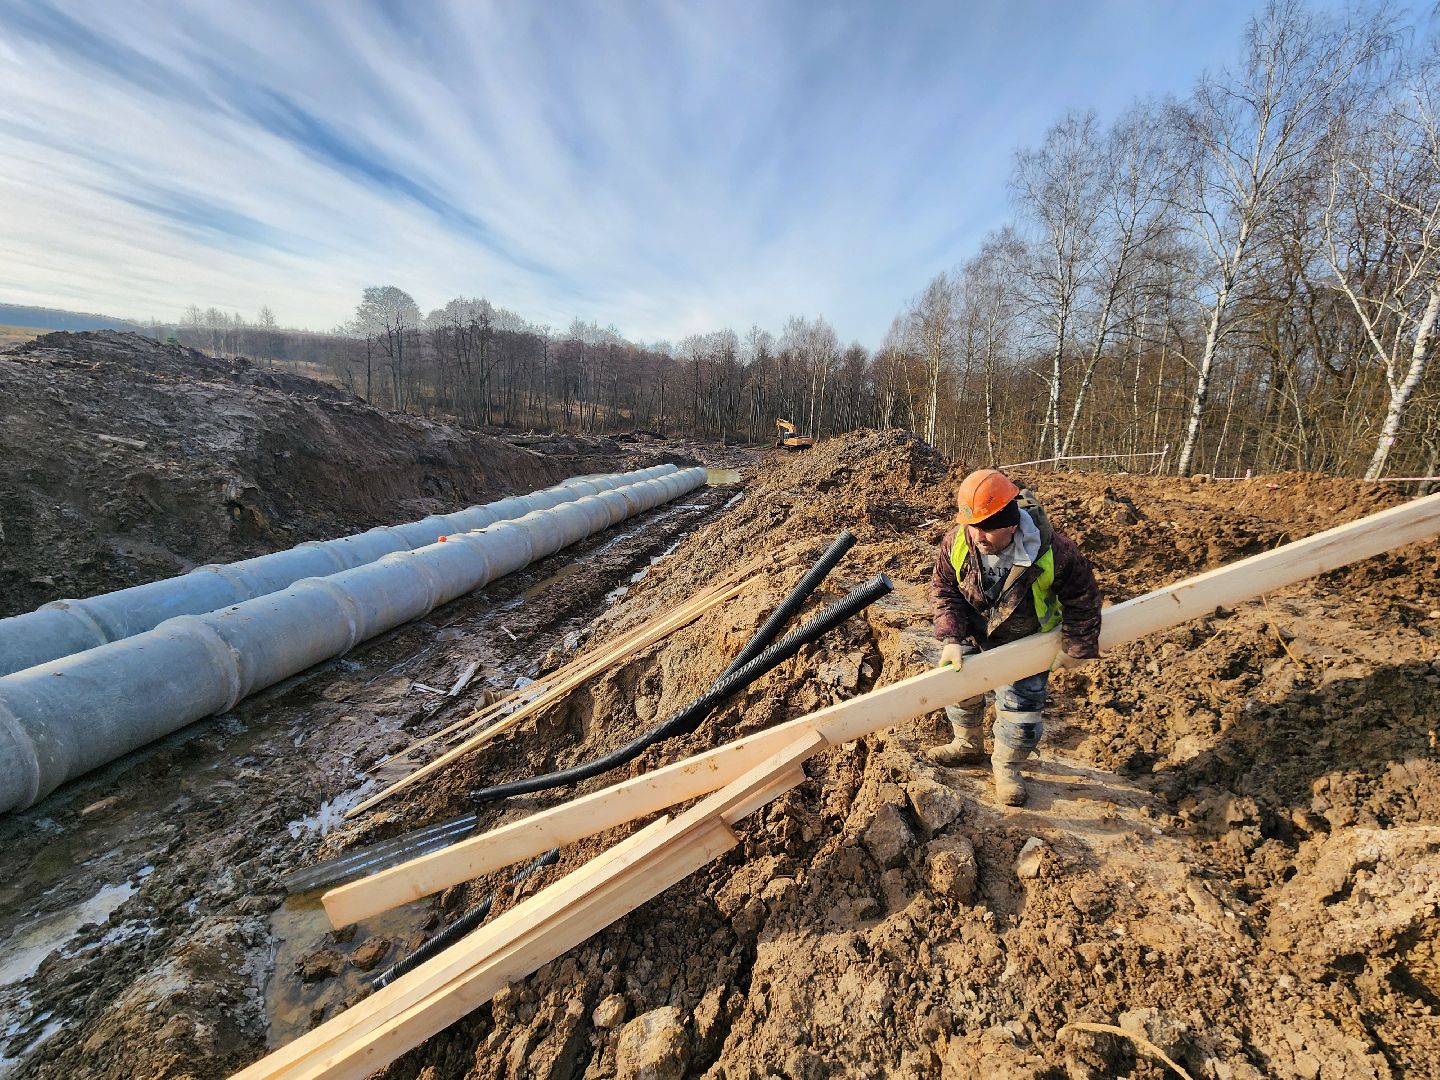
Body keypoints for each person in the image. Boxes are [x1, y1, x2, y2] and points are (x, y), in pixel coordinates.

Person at [928, 468, 1102, 806]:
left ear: (1011, 523)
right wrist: (952, 638)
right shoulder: (958, 541)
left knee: (1021, 712)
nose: (979, 536)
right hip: (974, 634)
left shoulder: (1053, 551)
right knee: (959, 692)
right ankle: (967, 745)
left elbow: (1083, 597)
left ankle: (1006, 768)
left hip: (1027, 641)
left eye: (988, 527)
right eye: (973, 526)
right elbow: (944, 589)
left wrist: (1077, 644)